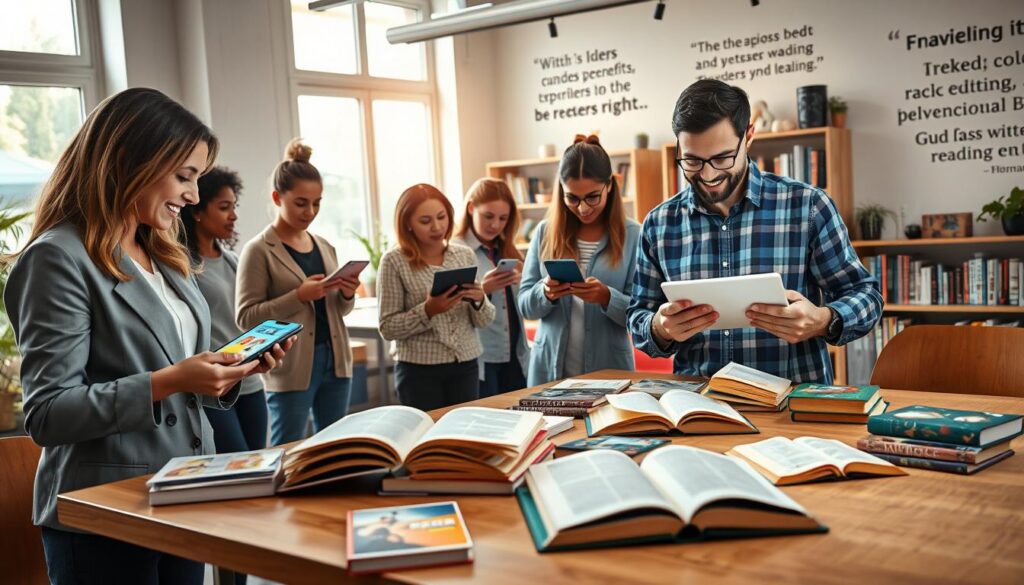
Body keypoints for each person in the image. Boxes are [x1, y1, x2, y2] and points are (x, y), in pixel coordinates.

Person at [3, 87, 290, 584]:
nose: (194, 196)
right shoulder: (58, 259)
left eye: (196, 178)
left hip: (181, 493)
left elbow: (174, 375)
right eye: (184, 177)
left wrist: (228, 371)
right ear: (127, 164)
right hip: (105, 513)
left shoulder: (162, 254)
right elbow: (48, 413)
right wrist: (171, 381)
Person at [627, 79, 883, 383]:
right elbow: (638, 315)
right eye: (692, 161)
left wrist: (822, 320)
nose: (708, 176)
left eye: (722, 158)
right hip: (698, 407)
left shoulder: (807, 207)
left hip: (791, 406)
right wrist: (659, 327)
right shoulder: (659, 223)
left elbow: (867, 295)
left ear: (748, 136)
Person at [235, 139, 360, 446]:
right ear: (278, 197)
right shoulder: (258, 251)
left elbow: (338, 311)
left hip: (336, 358)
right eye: (301, 203)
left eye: (317, 203)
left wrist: (346, 294)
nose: (311, 211)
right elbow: (246, 318)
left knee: (335, 447)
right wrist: (299, 296)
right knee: (285, 448)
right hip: (290, 365)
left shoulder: (324, 245)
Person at [518, 135, 641, 386]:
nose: (583, 208)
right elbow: (525, 306)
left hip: (610, 372)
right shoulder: (544, 232)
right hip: (549, 370)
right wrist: (545, 292)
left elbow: (642, 314)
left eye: (592, 196)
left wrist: (607, 297)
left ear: (610, 186)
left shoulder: (634, 235)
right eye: (572, 198)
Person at [377, 184, 495, 410]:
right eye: (425, 221)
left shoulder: (464, 255)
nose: (437, 226)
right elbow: (387, 327)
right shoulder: (393, 261)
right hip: (418, 371)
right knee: (427, 439)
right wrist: (428, 310)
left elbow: (484, 320)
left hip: (465, 365)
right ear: (407, 223)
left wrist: (479, 299)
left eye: (442, 217)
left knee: (464, 435)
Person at [180, 166, 268, 461]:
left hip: (251, 381)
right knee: (237, 464)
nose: (234, 215)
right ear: (196, 211)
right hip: (215, 387)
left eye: (234, 206)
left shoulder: (234, 260)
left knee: (258, 464)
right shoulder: (182, 267)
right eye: (224, 207)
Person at [453, 178, 529, 396]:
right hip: (481, 358)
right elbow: (447, 308)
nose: (495, 225)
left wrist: (524, 282)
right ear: (470, 209)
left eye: (503, 218)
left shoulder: (509, 251)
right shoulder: (455, 251)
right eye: (488, 216)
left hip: (515, 354)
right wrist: (482, 290)